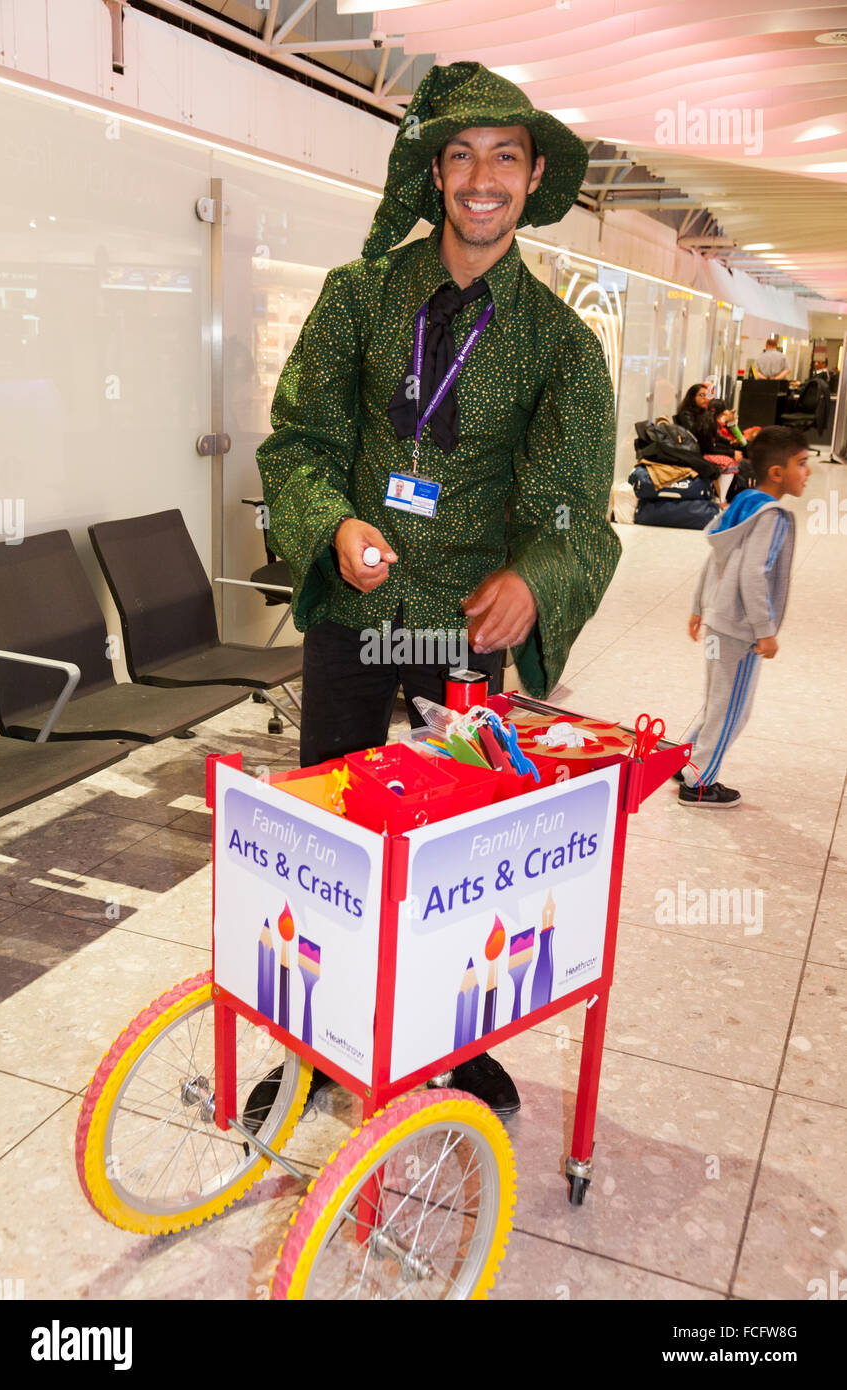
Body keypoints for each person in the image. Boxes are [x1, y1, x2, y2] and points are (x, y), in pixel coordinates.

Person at [254, 62, 620, 1116]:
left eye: (503, 154)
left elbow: (565, 503)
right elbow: (299, 445)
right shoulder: (358, 297)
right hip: (356, 618)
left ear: (532, 173)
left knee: (453, 845)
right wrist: (333, 523)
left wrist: (534, 579)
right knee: (333, 831)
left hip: (460, 638)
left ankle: (449, 1042)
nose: (480, 176)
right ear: (433, 173)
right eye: (459, 154)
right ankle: (316, 1041)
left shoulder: (557, 343)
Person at [677, 426, 810, 808]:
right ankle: (699, 784)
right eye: (801, 463)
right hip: (740, 629)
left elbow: (715, 555)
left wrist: (698, 607)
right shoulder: (773, 517)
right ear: (777, 473)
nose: (808, 472)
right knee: (733, 709)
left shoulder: (743, 502)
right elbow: (754, 574)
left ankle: (685, 759)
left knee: (717, 701)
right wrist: (765, 630)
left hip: (719, 620)